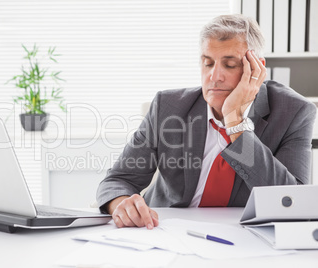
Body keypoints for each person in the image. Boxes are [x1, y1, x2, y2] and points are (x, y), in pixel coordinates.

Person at [96, 14, 317, 229]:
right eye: (208, 63)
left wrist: (235, 122)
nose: (215, 76)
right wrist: (121, 204)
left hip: (244, 236)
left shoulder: (294, 112)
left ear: (256, 70)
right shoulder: (168, 106)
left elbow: (292, 202)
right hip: (165, 231)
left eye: (229, 64)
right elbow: (118, 180)